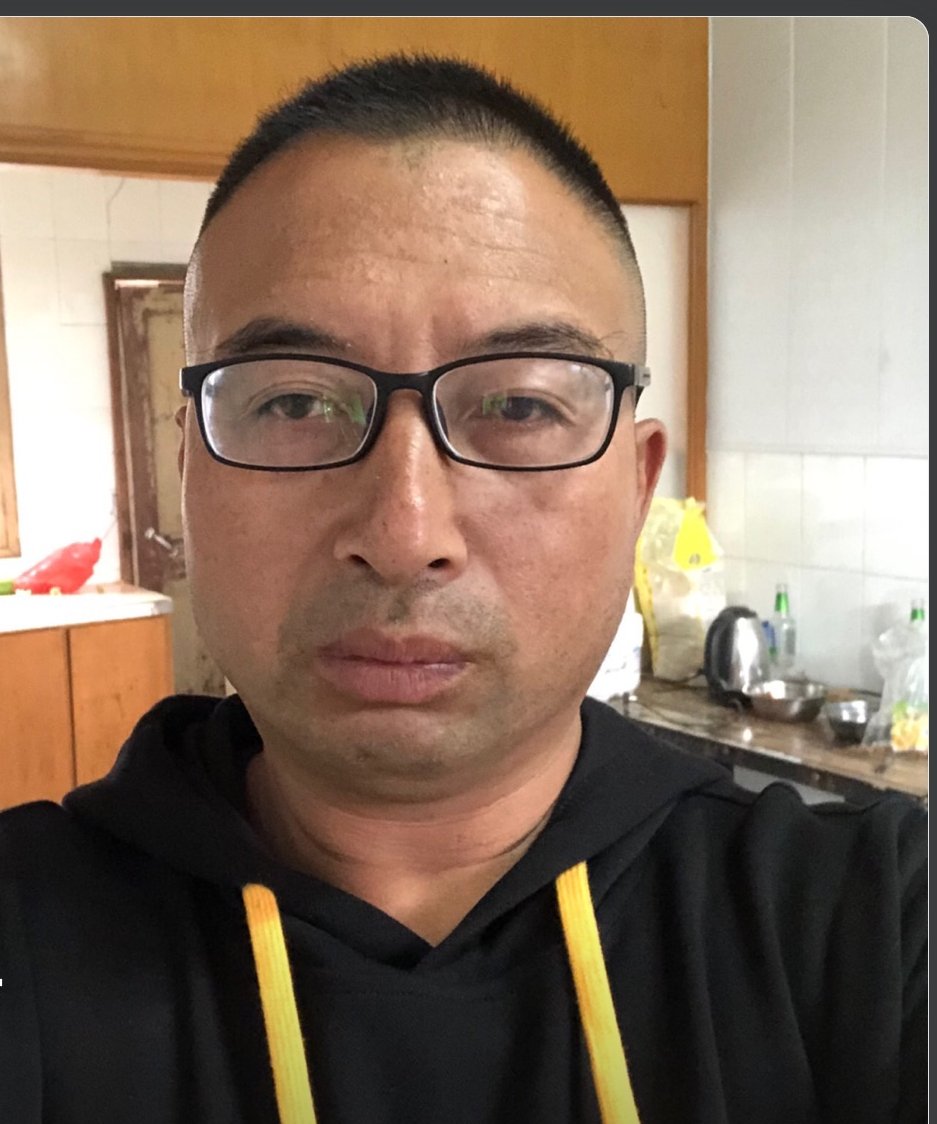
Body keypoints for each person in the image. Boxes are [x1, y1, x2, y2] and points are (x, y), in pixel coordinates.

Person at [0, 54, 926, 1124]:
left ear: (636, 486)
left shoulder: (866, 925)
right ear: (188, 470)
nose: (404, 536)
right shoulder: (30, 936)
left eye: (520, 408)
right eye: (296, 402)